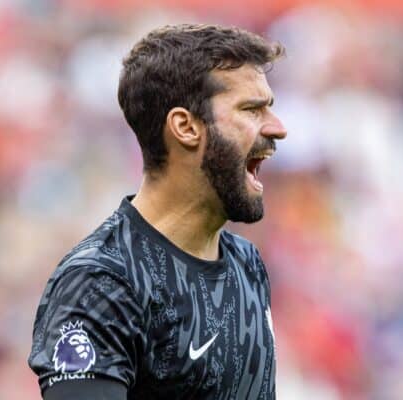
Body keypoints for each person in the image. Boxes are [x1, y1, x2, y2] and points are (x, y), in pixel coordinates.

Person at [28, 24, 287, 400]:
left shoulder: (246, 263)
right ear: (185, 127)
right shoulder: (101, 282)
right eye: (251, 109)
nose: (277, 129)